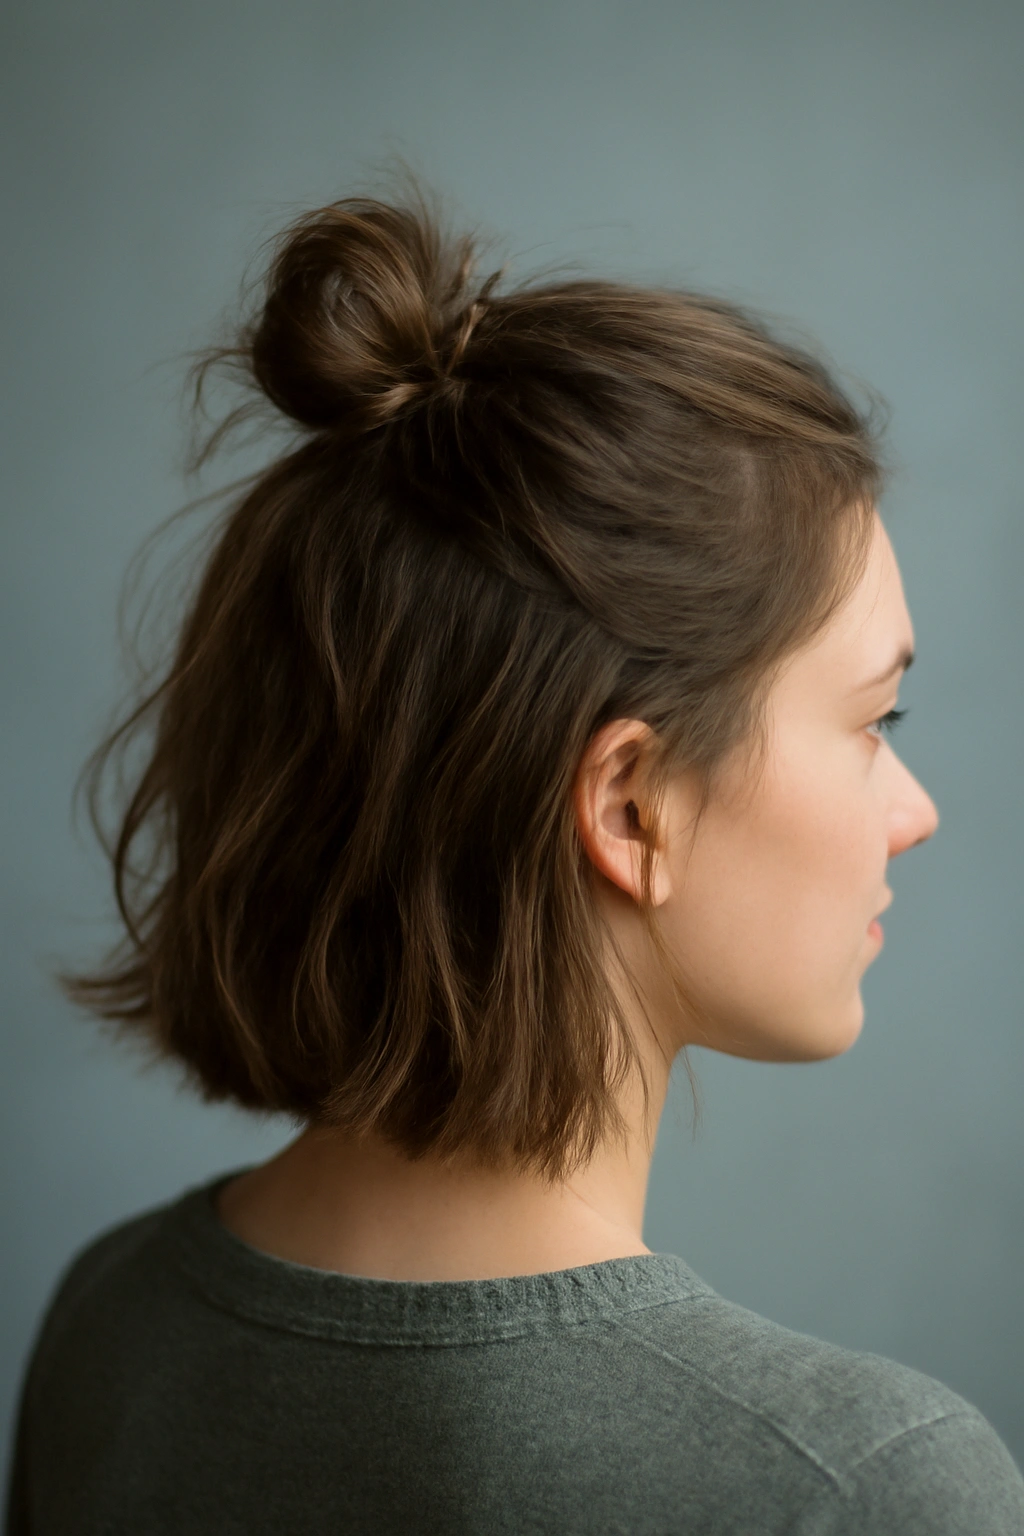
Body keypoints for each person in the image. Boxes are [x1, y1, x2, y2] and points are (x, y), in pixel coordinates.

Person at [6, 191, 1023, 1535]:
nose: (917, 811)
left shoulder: (110, 1321)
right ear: (632, 806)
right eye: (871, 722)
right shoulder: (861, 1487)